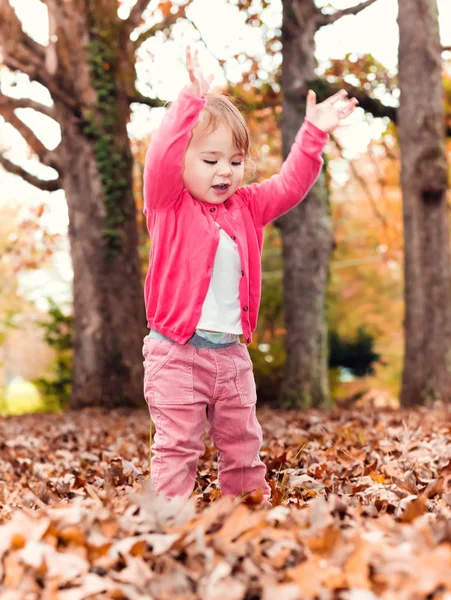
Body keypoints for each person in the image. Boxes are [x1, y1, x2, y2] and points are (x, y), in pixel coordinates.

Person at [142, 46, 358, 505]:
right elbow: (160, 154)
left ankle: (246, 517)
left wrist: (314, 133)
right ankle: (166, 526)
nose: (225, 171)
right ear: (182, 162)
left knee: (243, 447)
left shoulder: (247, 206)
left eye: (235, 161)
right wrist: (191, 100)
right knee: (178, 447)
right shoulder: (168, 203)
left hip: (232, 357)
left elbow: (290, 183)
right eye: (210, 159)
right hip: (175, 354)